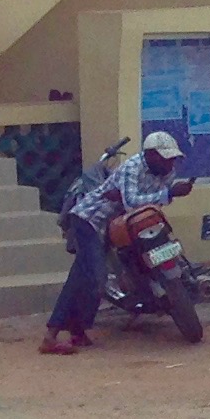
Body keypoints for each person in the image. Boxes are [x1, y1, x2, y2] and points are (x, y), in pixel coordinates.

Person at [40, 129, 182, 356]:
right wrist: (167, 194)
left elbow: (144, 204)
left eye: (172, 158)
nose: (170, 162)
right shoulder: (132, 167)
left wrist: (164, 194)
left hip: (115, 228)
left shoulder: (168, 174)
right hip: (90, 220)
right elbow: (132, 201)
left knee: (82, 277)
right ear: (150, 155)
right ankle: (54, 336)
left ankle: (73, 332)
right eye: (166, 157)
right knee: (96, 278)